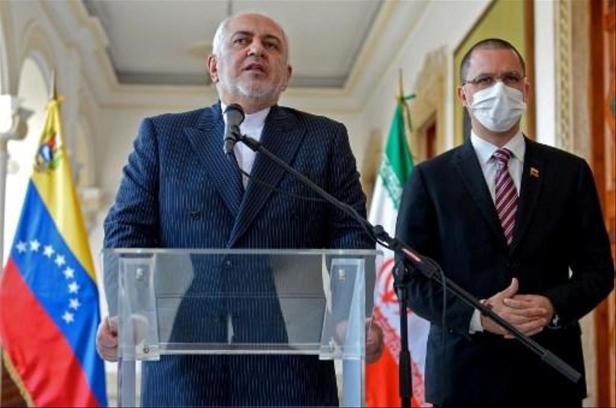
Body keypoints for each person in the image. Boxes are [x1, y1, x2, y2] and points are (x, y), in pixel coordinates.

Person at [96, 12, 382, 406]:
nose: (256, 49)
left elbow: (350, 233)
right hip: (184, 370)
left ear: (286, 75)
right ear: (214, 66)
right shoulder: (162, 136)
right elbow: (127, 229)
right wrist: (129, 313)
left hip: (290, 375)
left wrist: (352, 315)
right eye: (242, 40)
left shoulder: (324, 139)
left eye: (271, 44)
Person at [396, 38, 614, 407]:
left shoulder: (569, 172)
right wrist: (478, 317)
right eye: (484, 80)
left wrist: (552, 305)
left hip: (551, 376)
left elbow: (599, 271)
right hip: (463, 377)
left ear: (525, 90)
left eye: (510, 78)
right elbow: (409, 280)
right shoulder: (430, 179)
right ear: (464, 95)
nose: (499, 89)